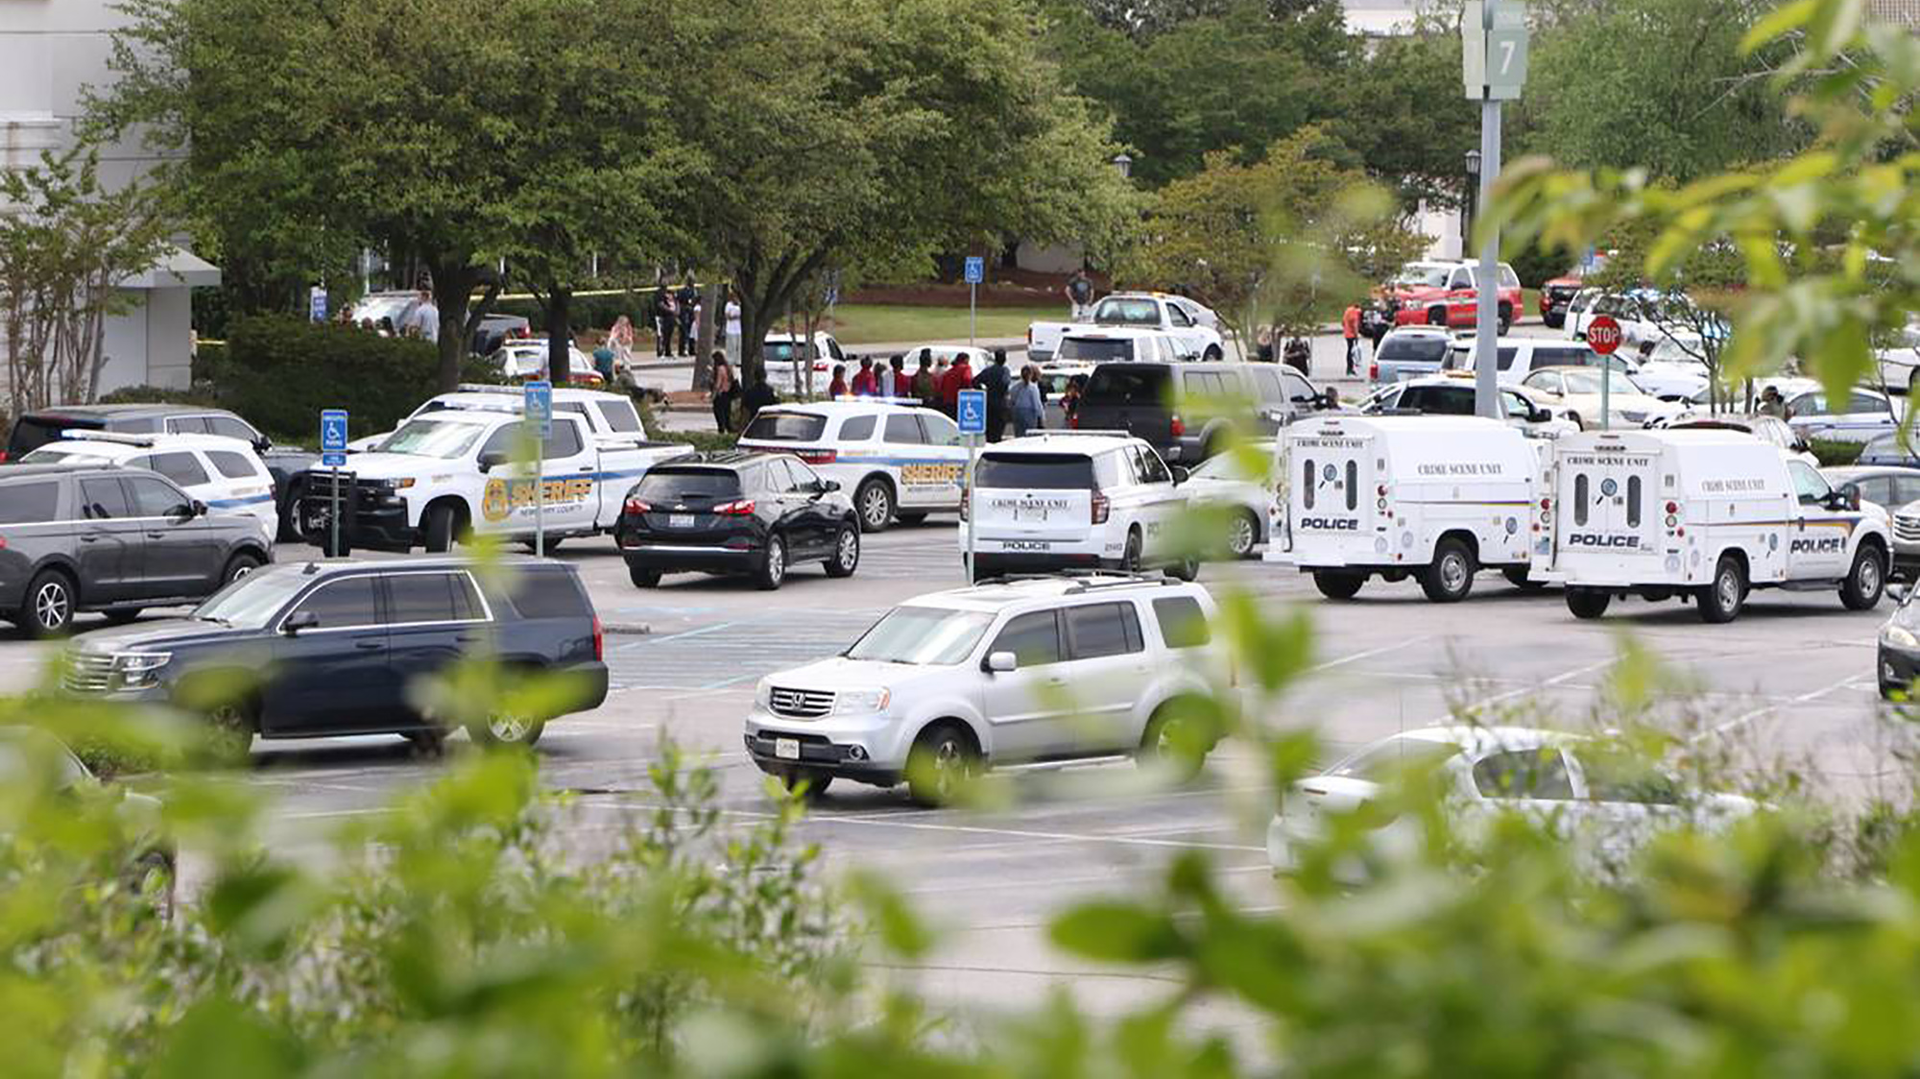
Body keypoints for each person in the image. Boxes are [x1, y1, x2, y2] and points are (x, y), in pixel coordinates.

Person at [974, 348, 1012, 442]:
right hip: (1000, 405)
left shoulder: (988, 371)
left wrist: (983, 390)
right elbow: (1005, 383)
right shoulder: (1005, 371)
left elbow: (975, 381)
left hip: (989, 404)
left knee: (989, 431)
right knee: (998, 431)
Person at [1010, 364, 1045, 437]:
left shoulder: (1015, 387)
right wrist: (1041, 416)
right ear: (1030, 375)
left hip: (1017, 412)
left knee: (1019, 434)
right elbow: (1036, 404)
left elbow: (1012, 400)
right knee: (1029, 434)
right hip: (1030, 413)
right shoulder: (1033, 388)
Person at [710, 352, 736, 432]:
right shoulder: (728, 368)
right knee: (727, 415)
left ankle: (721, 430)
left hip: (721, 395)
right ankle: (729, 430)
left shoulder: (720, 369)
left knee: (719, 415)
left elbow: (718, 384)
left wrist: (713, 396)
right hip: (728, 394)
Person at [676, 277, 698, 358]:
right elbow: (679, 302)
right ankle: (682, 350)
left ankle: (691, 349)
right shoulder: (682, 291)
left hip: (691, 312)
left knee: (691, 331)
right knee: (684, 332)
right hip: (684, 312)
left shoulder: (694, 291)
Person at [654, 288, 678, 357]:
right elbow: (661, 305)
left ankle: (668, 351)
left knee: (669, 335)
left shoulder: (673, 300)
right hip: (664, 317)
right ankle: (661, 351)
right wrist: (670, 311)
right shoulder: (660, 295)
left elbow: (677, 305)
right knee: (662, 334)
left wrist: (676, 312)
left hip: (671, 318)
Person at [1342, 303, 1362, 376]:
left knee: (1349, 351)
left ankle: (1349, 368)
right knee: (1352, 352)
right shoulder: (1355, 313)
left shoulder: (1347, 310)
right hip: (1352, 335)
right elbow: (1355, 325)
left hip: (1347, 334)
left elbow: (1343, 322)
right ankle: (1350, 368)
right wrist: (1356, 335)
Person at [723, 293, 742, 366]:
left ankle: (738, 361)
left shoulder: (740, 304)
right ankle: (730, 360)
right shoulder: (729, 305)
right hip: (731, 329)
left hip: (739, 329)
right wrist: (735, 317)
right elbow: (728, 316)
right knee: (732, 345)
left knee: (739, 345)